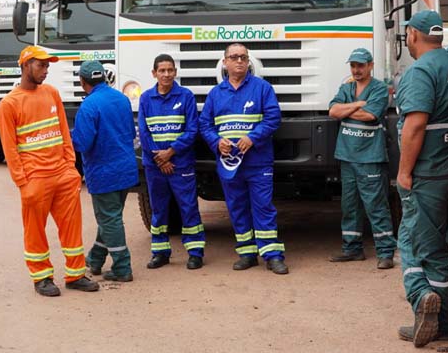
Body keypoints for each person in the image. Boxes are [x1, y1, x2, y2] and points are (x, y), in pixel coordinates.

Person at [395, 5, 448, 348]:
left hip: (427, 173)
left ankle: (423, 297)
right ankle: (446, 324)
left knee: (412, 244)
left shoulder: (419, 72)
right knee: (439, 247)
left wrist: (404, 172)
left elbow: (415, 125)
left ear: (411, 35)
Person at [0, 45, 99, 297]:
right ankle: (42, 277)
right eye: (41, 65)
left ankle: (75, 274)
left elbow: (64, 132)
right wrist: (23, 182)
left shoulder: (51, 93)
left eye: (47, 66)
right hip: (35, 179)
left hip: (63, 176)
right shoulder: (9, 104)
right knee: (35, 231)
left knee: (72, 228)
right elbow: (10, 149)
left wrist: (70, 169)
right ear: (25, 66)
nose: (46, 71)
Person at [199, 43, 287, 275]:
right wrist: (217, 142)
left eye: (243, 57)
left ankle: (272, 255)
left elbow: (273, 118)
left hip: (258, 162)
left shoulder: (262, 88)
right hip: (229, 164)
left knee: (263, 207)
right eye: (234, 57)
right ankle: (247, 253)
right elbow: (204, 125)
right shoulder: (216, 94)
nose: (239, 61)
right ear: (224, 62)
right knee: (237, 208)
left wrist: (253, 137)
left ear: (248, 62)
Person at [328, 47, 396, 269]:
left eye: (360, 65)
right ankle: (352, 249)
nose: (356, 70)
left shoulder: (378, 89)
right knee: (350, 205)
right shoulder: (346, 87)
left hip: (369, 156)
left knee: (376, 205)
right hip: (347, 156)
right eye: (353, 66)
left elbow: (370, 115)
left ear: (370, 66)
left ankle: (385, 252)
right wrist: (356, 105)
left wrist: (345, 109)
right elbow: (332, 112)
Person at [72, 61, 139, 282]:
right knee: (111, 217)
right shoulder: (121, 98)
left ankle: (122, 267)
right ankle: (95, 259)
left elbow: (82, 143)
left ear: (83, 82)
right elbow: (130, 132)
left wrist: (69, 135)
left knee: (109, 220)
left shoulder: (89, 106)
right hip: (126, 169)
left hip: (103, 173)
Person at [137, 54, 204, 270]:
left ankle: (195, 253)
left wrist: (171, 152)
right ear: (154, 73)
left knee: (189, 208)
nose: (166, 74)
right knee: (159, 210)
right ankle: (160, 252)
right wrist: (160, 159)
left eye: (170, 70)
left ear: (175, 72)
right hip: (155, 166)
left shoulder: (186, 96)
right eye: (162, 70)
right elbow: (143, 133)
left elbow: (193, 129)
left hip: (180, 164)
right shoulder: (146, 98)